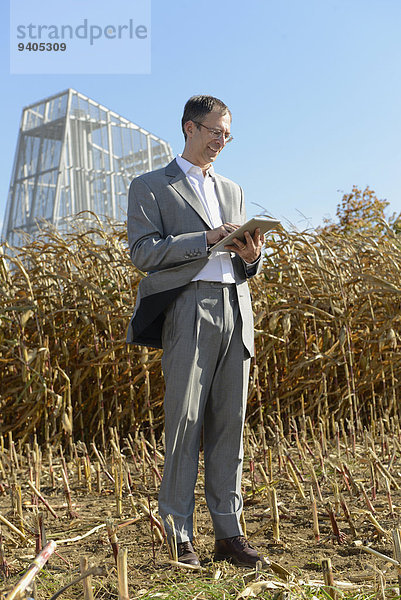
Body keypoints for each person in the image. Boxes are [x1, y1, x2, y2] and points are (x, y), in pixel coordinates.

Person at [127, 95, 269, 568]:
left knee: (230, 428)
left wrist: (251, 258)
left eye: (227, 134)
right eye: (214, 131)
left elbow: (246, 263)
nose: (221, 141)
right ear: (189, 127)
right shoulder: (150, 185)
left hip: (236, 308)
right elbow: (144, 252)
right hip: (188, 309)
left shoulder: (233, 189)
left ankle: (229, 534)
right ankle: (178, 536)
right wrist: (206, 239)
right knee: (184, 425)